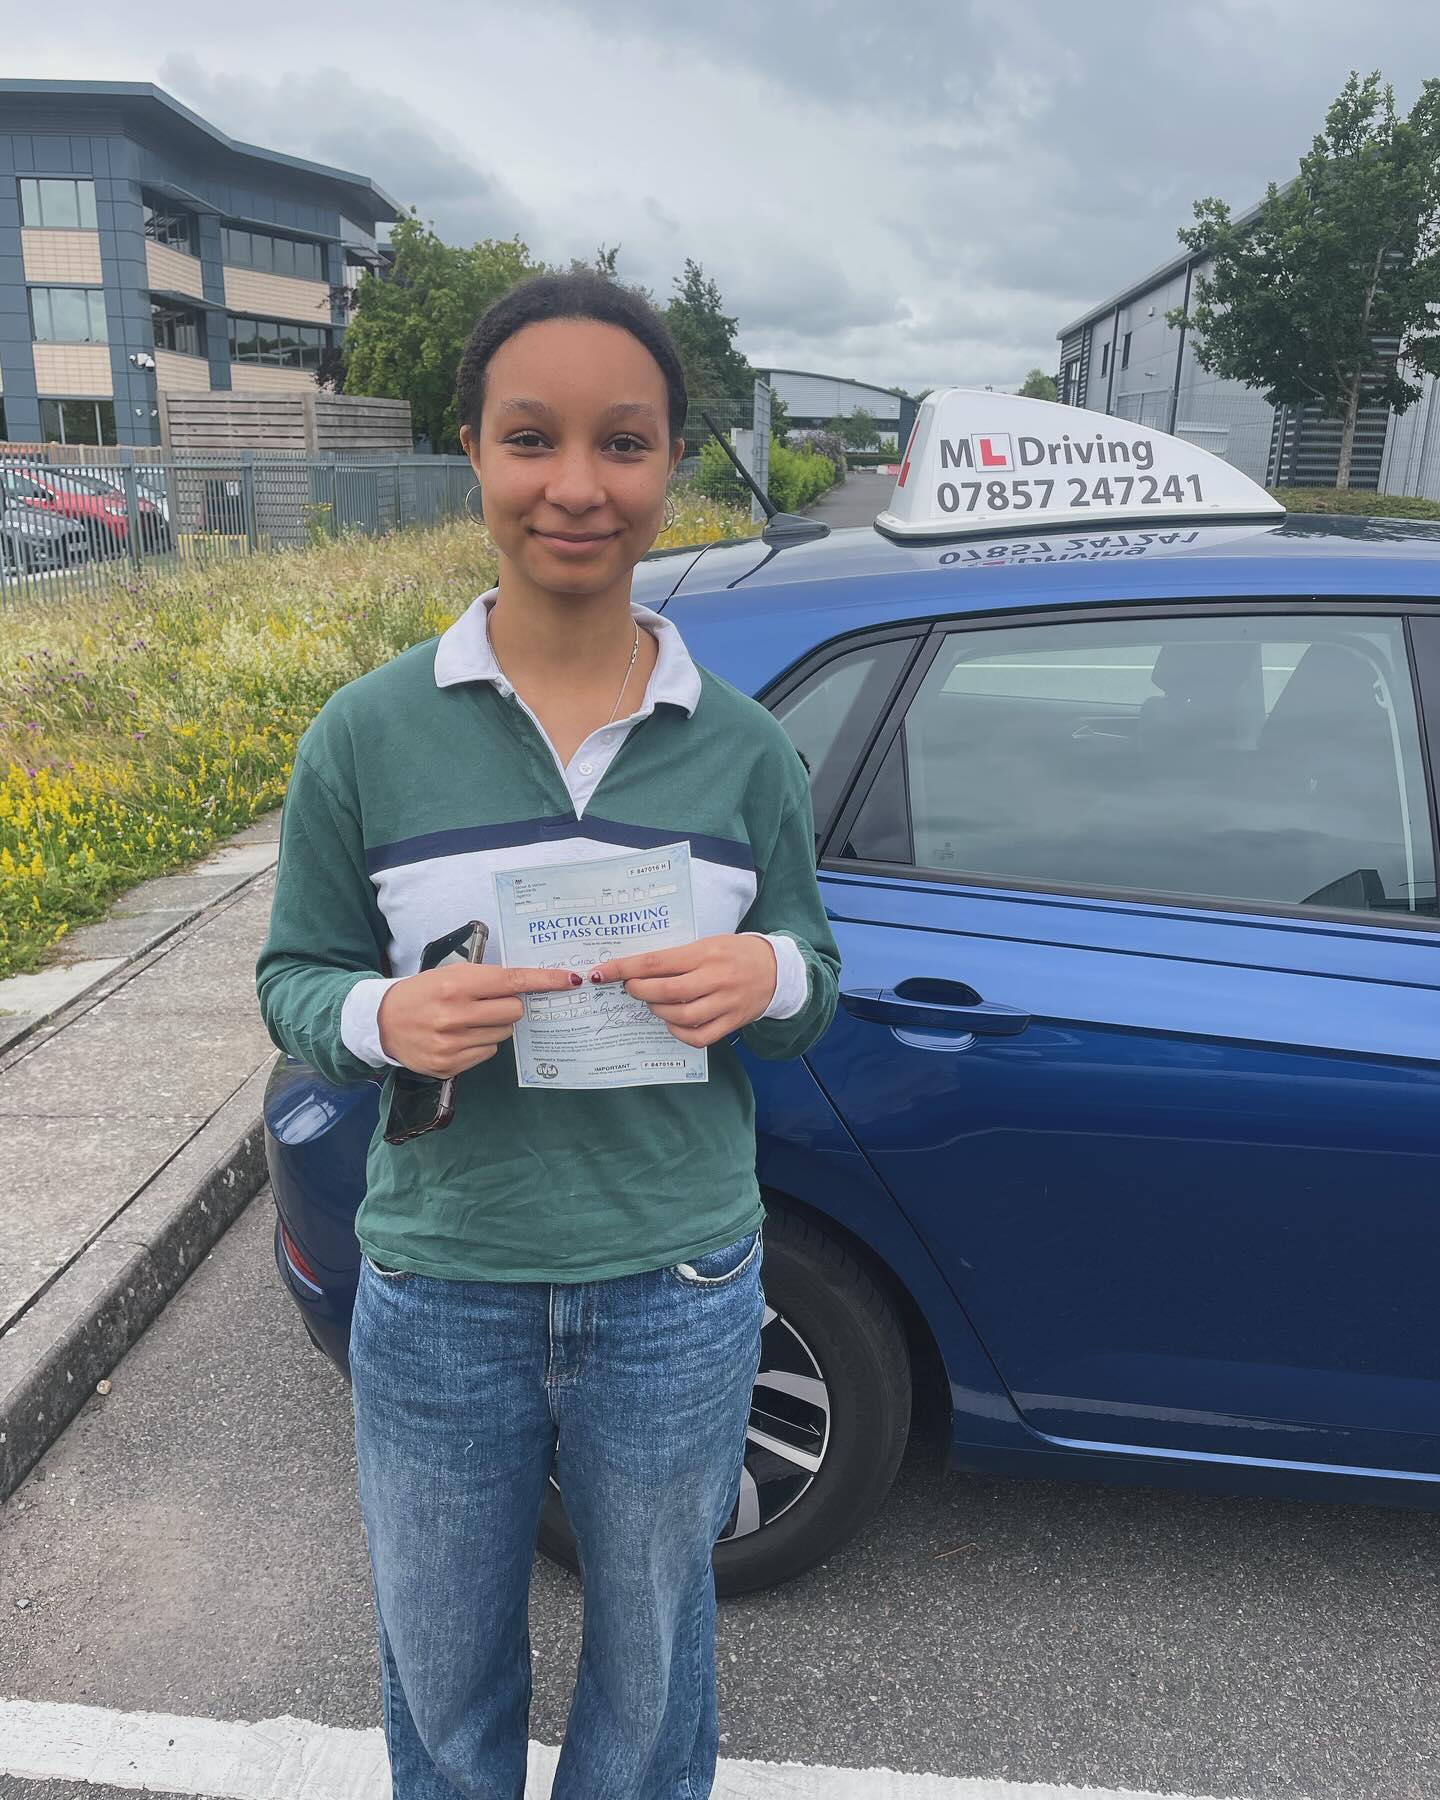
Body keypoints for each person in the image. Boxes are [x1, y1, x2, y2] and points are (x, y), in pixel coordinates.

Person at [255, 271, 840, 1799]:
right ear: (471, 449)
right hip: (446, 1280)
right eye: (532, 439)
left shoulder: (747, 745)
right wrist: (388, 1015)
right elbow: (295, 981)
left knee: (656, 1671)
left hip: (680, 1282)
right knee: (442, 1677)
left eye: (624, 444)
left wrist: (760, 981)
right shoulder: (367, 734)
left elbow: (818, 977)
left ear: (669, 466)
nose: (577, 487)